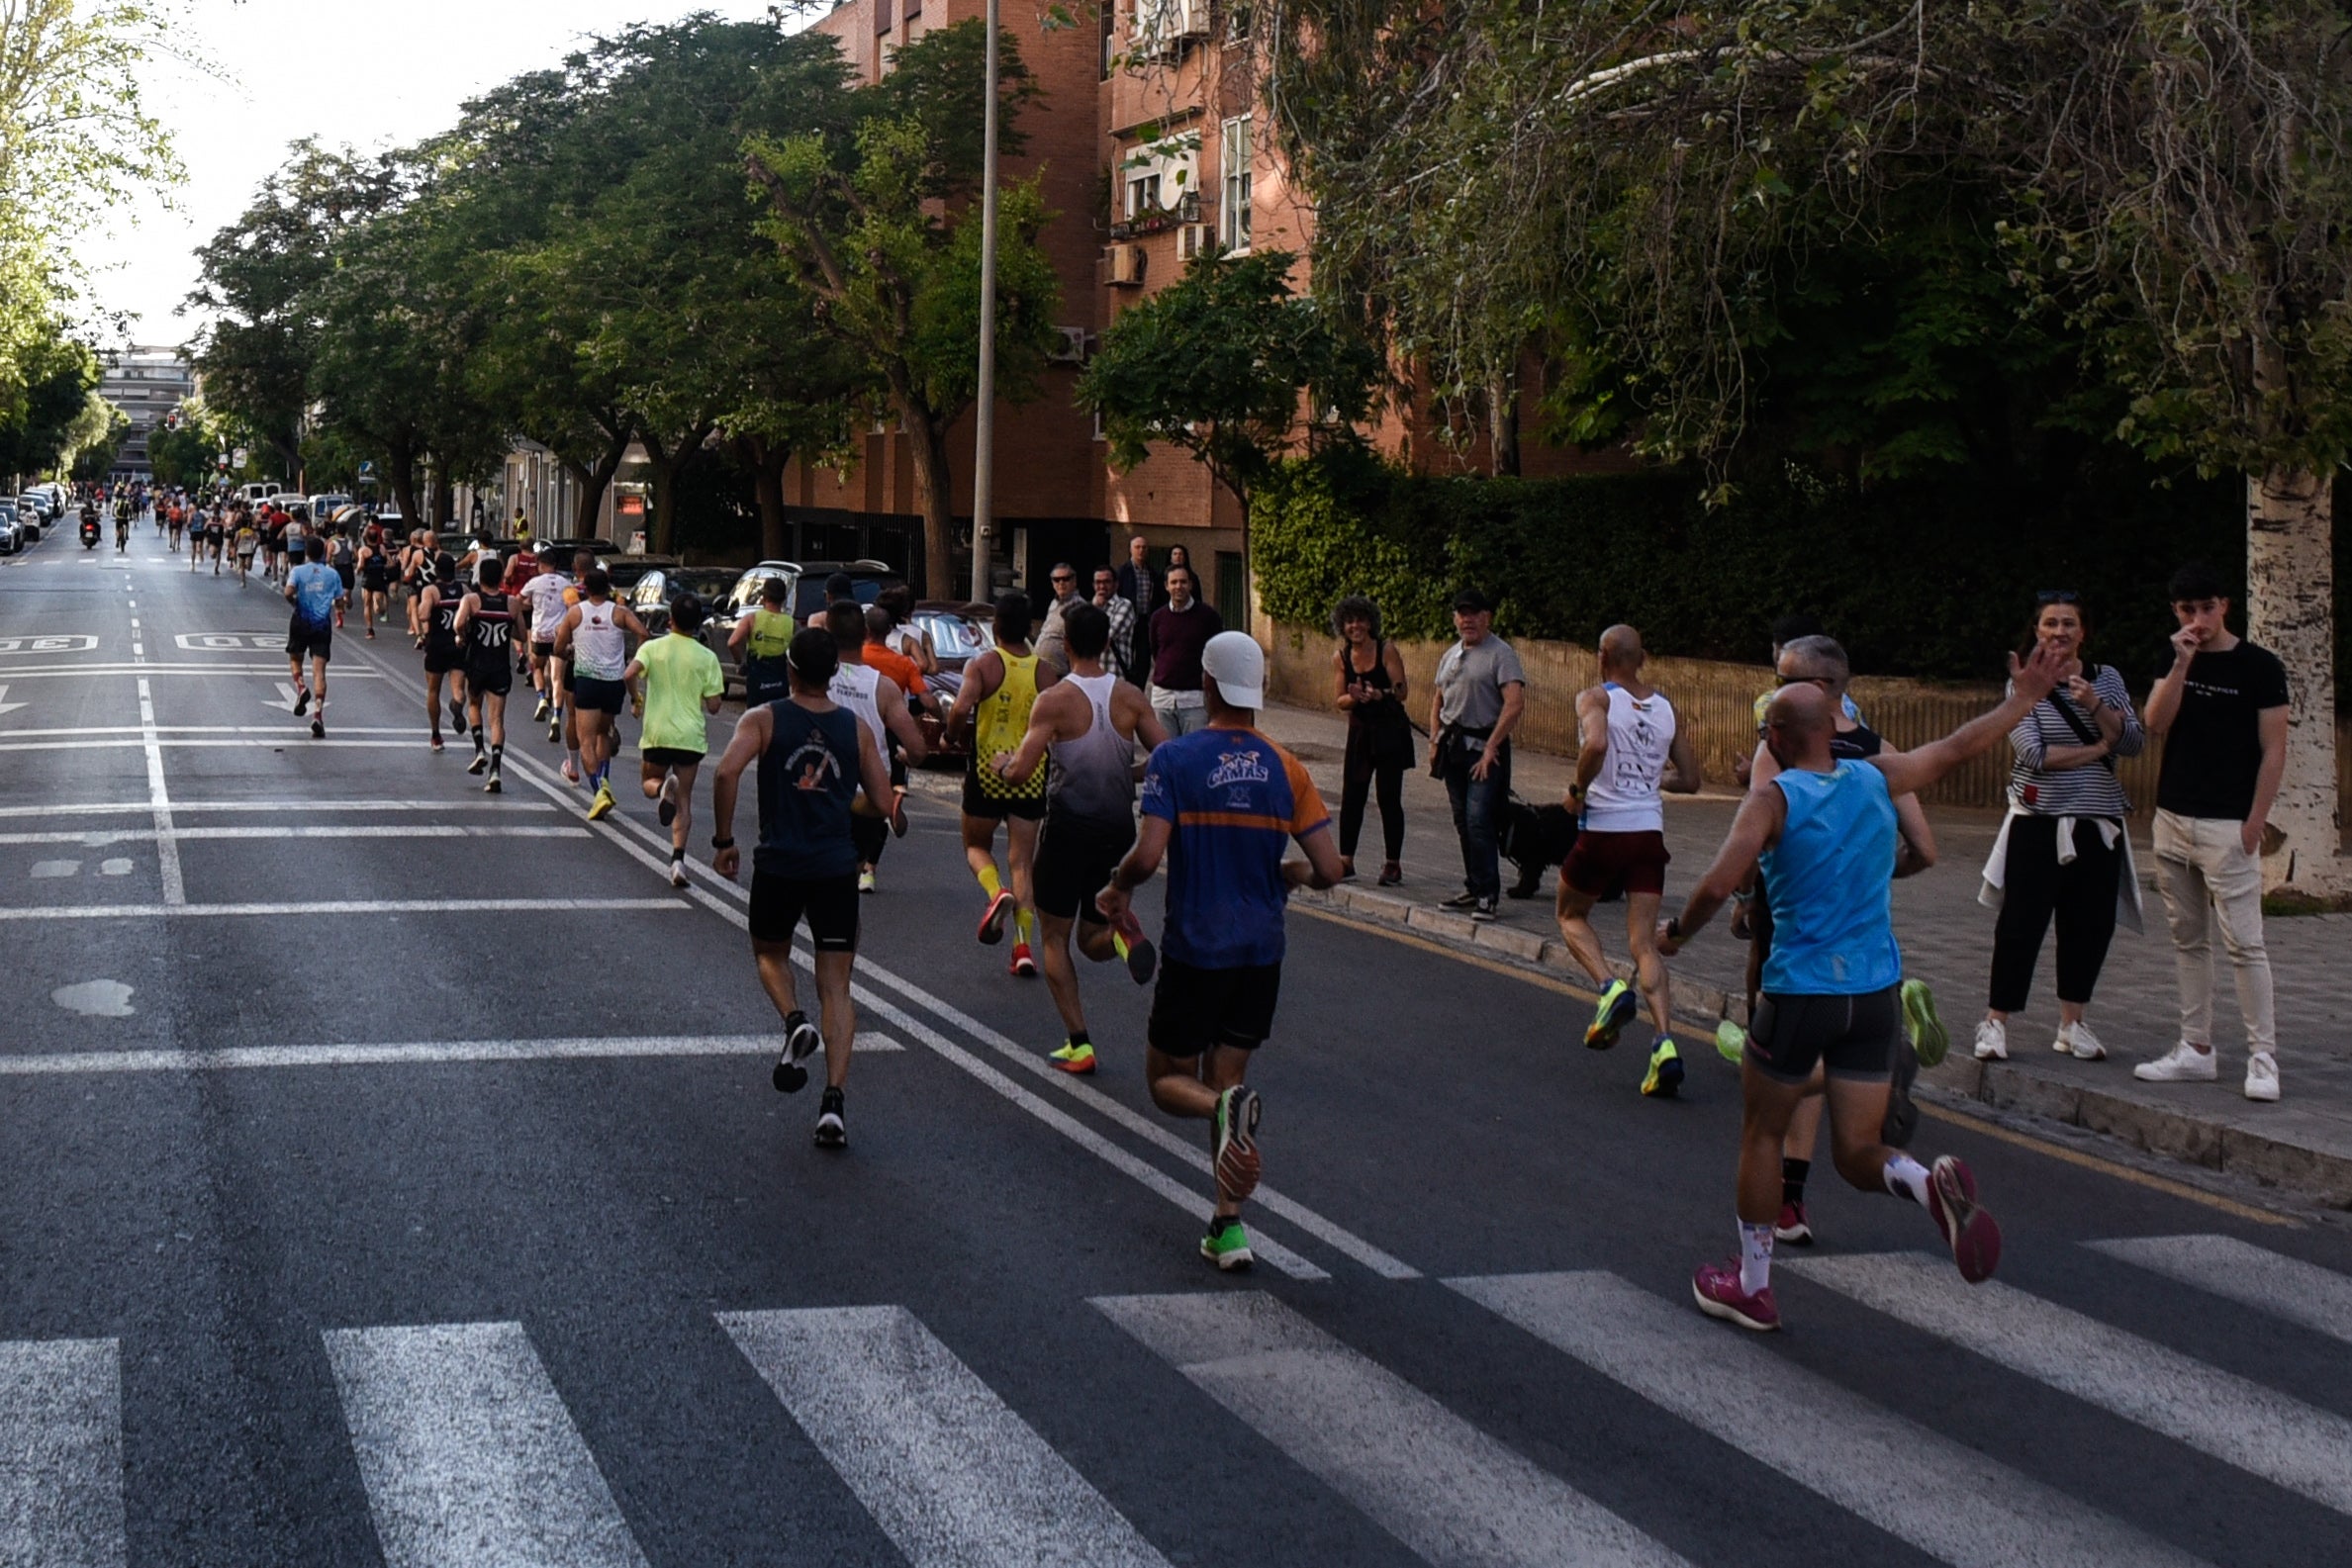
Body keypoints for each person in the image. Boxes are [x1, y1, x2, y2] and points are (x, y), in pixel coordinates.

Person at [1657, 642, 2071, 1332]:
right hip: (1875, 995)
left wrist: (1675, 933)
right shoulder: (1878, 776)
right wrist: (2022, 698)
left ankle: (1752, 1285)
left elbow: (1718, 883)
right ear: (1832, 729)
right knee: (1856, 1153)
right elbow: (1959, 745)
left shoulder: (1772, 798)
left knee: (1760, 1130)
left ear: (1776, 739)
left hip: (1798, 994)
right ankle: (1922, 1182)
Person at [1096, 631, 1344, 1269]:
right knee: (1230, 1074)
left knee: (1167, 1080)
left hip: (1197, 948)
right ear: (1255, 690)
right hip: (1261, 952)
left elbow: (1148, 856)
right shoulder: (1289, 767)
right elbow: (1330, 869)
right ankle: (1228, 1228)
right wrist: (1291, 873)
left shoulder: (1177, 760)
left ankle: (1220, 1111)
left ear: (1206, 685)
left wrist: (1118, 888)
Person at [1736, 635, 1945, 1246]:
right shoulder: (1880, 755)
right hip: (1865, 945)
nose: (1772, 690)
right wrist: (1872, 868)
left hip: (1793, 934)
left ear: (1820, 689)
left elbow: (1750, 842)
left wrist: (1745, 901)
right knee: (1831, 1076)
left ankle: (1784, 1212)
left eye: (1782, 678)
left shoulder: (1779, 749)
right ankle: (1887, 1063)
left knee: (1777, 1091)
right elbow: (1927, 850)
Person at [709, 628, 896, 1150]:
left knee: (770, 955)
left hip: (780, 864)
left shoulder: (763, 718)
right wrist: (843, 802)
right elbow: (880, 803)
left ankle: (793, 1021)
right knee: (836, 985)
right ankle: (833, 1103)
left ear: (789, 669)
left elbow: (726, 773)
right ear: (833, 674)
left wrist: (724, 840)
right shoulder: (855, 729)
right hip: (836, 868)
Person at [2136, 563, 2291, 1101]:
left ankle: (2263, 1056)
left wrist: (2254, 822)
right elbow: (2155, 724)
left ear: (2224, 605)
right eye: (2186, 610)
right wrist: (2181, 663)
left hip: (2229, 824)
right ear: (2175, 612)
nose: (2197, 620)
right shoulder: (2173, 655)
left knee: (2246, 944)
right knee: (2187, 940)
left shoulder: (2260, 667)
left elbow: (2274, 749)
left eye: (2206, 608)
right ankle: (2195, 1048)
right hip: (2173, 818)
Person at [995, 601, 1169, 1074]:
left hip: (1069, 829)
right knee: (1095, 932)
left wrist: (1003, 765)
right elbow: (1167, 757)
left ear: (1065, 645)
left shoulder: (1053, 701)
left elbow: (1022, 772)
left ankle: (1080, 1043)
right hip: (1117, 832)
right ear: (1109, 644)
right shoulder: (1131, 695)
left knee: (1055, 935)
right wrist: (1129, 771)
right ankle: (1121, 935)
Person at [1973, 593, 2145, 1064]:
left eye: (2069, 623)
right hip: (2038, 822)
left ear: (2083, 632)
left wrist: (2097, 708)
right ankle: (1995, 1023)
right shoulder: (2023, 685)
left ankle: (2073, 1024)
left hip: (2099, 821)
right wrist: (2096, 750)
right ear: (2036, 631)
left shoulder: (2106, 680)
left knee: (2090, 926)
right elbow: (2034, 754)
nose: (2060, 632)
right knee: (2020, 925)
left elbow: (2132, 741)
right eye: (2051, 623)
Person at [1556, 623, 1701, 1096]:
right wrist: (1648, 781)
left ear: (1602, 656)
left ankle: (1608, 987)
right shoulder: (1664, 708)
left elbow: (1595, 745)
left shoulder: (1595, 697)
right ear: (1643, 658)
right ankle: (1664, 1044)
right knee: (1645, 944)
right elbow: (1691, 780)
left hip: (1604, 828)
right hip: (1648, 831)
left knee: (1570, 913)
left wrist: (1578, 792)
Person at [946, 591, 1060, 976]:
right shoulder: (1045, 672)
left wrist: (952, 735)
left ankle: (997, 893)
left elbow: (961, 708)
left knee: (976, 845)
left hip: (986, 775)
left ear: (994, 628)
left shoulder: (984, 665)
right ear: (1030, 628)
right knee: (1022, 862)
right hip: (1029, 776)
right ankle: (1023, 947)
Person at [1429, 589, 1527, 921]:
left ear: (1487, 617)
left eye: (1474, 613)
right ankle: (1474, 885)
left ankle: (1488, 893)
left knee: (1479, 819)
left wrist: (1491, 747)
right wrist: (1434, 739)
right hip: (1453, 747)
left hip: (1485, 750)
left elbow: (1514, 703)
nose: (1467, 620)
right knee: (1462, 820)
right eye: (1461, 613)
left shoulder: (1501, 654)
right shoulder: (1451, 654)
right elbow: (1438, 696)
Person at [823, 600, 926, 893]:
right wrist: (907, 756)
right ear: (865, 633)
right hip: (867, 792)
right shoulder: (883, 687)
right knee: (847, 878)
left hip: (824, 785)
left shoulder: (818, 678)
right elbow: (917, 749)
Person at [627, 592, 726, 886]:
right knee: (684, 801)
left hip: (658, 732)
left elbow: (628, 673)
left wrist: (636, 699)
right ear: (698, 624)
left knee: (648, 786)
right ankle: (678, 861)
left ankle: (661, 790)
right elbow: (715, 705)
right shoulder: (707, 658)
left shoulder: (652, 648)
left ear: (670, 620)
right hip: (689, 737)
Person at [553, 569, 645, 821]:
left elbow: (558, 647)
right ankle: (604, 779)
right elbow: (643, 633)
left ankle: (598, 790)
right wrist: (635, 660)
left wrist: (570, 651)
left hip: (587, 681)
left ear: (585, 589)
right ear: (608, 588)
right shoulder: (619, 612)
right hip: (613, 682)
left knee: (586, 739)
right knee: (603, 734)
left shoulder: (575, 613)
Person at [1331, 595, 1411, 885]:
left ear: (1370, 623)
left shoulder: (1386, 649)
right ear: (1343, 625)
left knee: (1389, 797)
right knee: (1352, 795)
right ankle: (1346, 861)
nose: (1356, 626)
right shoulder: (1340, 658)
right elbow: (1339, 700)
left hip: (1389, 731)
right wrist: (1352, 697)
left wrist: (1381, 693)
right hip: (1360, 733)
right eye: (1350, 621)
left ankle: (1393, 863)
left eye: (1361, 620)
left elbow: (1401, 691)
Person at [1146, 564, 1223, 737]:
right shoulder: (1158, 617)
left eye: (1183, 582)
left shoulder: (1208, 616)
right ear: (1166, 586)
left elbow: (1216, 653)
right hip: (1163, 698)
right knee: (1165, 752)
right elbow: (1156, 650)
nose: (1178, 586)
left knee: (1194, 754)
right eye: (1173, 582)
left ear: (1191, 585)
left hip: (1193, 700)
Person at [283, 538, 344, 741]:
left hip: (301, 621)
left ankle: (301, 687)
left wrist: (295, 603)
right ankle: (317, 714)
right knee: (320, 671)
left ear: (307, 553)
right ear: (323, 553)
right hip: (321, 624)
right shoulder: (332, 574)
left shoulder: (298, 571)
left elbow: (288, 592)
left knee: (295, 658)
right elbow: (340, 600)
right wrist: (340, 608)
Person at [419, 554, 470, 755]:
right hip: (457, 644)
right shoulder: (463, 590)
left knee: (433, 691)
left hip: (436, 645)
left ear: (436, 570)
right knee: (458, 688)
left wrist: (425, 607)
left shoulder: (431, 590)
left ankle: (436, 734)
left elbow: (423, 614)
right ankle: (457, 703)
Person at [519, 550, 576, 729]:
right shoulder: (566, 584)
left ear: (541, 565)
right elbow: (573, 606)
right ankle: (557, 717)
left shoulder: (534, 583)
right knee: (557, 677)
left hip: (539, 634)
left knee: (537, 667)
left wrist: (530, 605)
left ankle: (542, 698)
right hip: (560, 635)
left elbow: (518, 600)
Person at [730, 575, 795, 708]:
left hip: (757, 679)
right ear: (784, 599)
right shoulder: (791, 623)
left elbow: (732, 642)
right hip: (780, 681)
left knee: (755, 719)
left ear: (763, 598)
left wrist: (739, 664)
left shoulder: (751, 618)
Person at [1114, 533, 1161, 686]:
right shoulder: (1123, 572)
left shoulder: (1152, 573)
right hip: (1127, 619)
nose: (1141, 550)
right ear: (1131, 550)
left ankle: (1138, 687)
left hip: (1145, 620)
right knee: (1126, 654)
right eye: (1137, 547)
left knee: (1143, 657)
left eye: (1144, 548)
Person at [1031, 562, 1084, 675]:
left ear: (1074, 581)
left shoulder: (1079, 606)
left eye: (1065, 579)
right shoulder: (1054, 602)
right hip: (1039, 668)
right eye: (1056, 579)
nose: (1061, 583)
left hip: (1059, 671)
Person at [1091, 567, 1136, 684]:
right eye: (1098, 582)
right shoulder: (1090, 607)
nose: (1102, 586)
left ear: (1116, 585)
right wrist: (1094, 607)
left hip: (1115, 677)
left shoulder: (1124, 605)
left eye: (1106, 582)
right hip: (1092, 677)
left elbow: (1105, 639)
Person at [356, 528, 391, 638]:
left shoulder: (363, 550)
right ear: (377, 537)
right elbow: (391, 563)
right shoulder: (382, 548)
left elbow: (361, 565)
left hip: (368, 579)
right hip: (379, 578)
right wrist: (382, 566)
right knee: (378, 604)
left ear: (366, 538)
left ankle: (370, 630)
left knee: (367, 605)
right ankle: (380, 609)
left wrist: (358, 570)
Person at [233, 513, 258, 584]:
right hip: (244, 551)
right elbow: (258, 540)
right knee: (244, 567)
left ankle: (242, 568)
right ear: (247, 524)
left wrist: (254, 548)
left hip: (247, 550)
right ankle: (243, 580)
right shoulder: (243, 532)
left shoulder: (245, 532)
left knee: (248, 568)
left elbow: (235, 541)